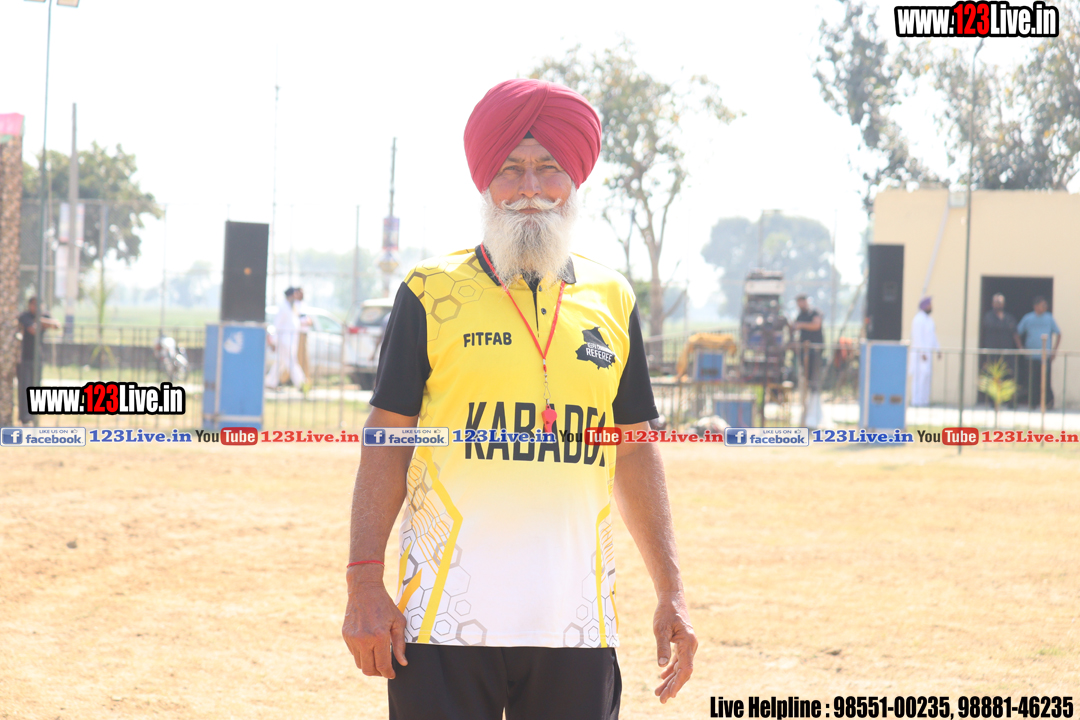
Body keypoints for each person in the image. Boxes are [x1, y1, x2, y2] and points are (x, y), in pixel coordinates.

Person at [341, 78, 697, 720]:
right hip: (444, 622)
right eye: (510, 169)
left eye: (548, 167)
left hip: (576, 623)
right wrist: (364, 578)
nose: (529, 187)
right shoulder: (429, 292)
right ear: (485, 182)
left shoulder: (613, 298)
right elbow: (386, 439)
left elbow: (636, 452)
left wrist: (671, 589)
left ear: (575, 180)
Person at [15, 297, 59, 425]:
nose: (37, 307)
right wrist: (44, 323)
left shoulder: (44, 316)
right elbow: (32, 329)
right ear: (30, 305)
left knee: (36, 389)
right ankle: (25, 419)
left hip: (38, 358)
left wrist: (40, 321)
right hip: (25, 358)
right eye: (34, 304)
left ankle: (34, 417)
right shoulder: (25, 316)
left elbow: (56, 325)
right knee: (25, 388)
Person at [1015, 295, 1061, 409]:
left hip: (1045, 356)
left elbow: (1059, 333)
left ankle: (1048, 403)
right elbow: (1017, 333)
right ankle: (1033, 403)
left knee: (1045, 380)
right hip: (1031, 357)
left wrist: (1054, 351)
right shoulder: (1028, 318)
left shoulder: (1049, 318)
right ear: (1036, 306)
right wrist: (1021, 348)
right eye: (1042, 305)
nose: (1045, 307)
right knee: (1032, 381)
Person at [979, 294, 1018, 404]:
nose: (998, 304)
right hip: (992, 353)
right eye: (996, 302)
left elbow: (1015, 334)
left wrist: (1020, 348)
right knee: (992, 376)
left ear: (1004, 304)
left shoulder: (1009, 318)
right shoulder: (988, 317)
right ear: (992, 304)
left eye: (1000, 302)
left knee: (1009, 376)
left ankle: (1010, 401)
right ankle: (993, 402)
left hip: (1007, 353)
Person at [264, 287, 306, 389]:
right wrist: (273, 341)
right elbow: (277, 325)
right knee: (291, 362)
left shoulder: (292, 307)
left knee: (280, 362)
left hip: (291, 340)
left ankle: (270, 382)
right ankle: (302, 384)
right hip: (284, 341)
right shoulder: (283, 307)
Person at [909, 296, 940, 407]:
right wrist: (922, 352)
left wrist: (938, 349)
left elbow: (933, 336)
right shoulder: (918, 319)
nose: (931, 307)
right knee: (919, 377)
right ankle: (916, 400)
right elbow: (917, 337)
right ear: (925, 306)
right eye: (930, 305)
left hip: (928, 354)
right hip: (920, 355)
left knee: (927, 376)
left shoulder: (929, 320)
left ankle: (924, 400)